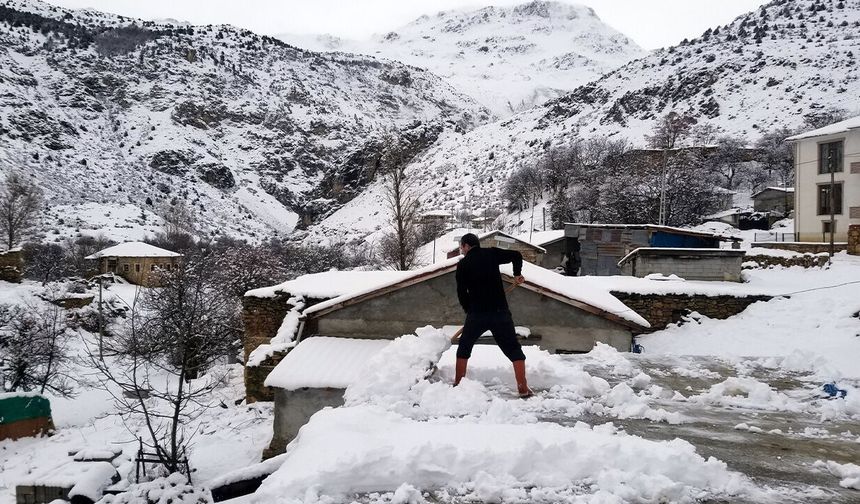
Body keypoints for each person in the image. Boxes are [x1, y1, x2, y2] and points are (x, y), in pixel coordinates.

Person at [454, 233, 532, 397]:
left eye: (461, 247)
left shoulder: (463, 264)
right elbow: (516, 255)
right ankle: (522, 387)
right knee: (513, 349)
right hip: (500, 313)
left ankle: (458, 384)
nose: (461, 250)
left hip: (477, 314)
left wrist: (470, 311)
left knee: (464, 347)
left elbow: (461, 293)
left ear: (467, 246)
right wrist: (517, 274)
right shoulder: (491, 253)